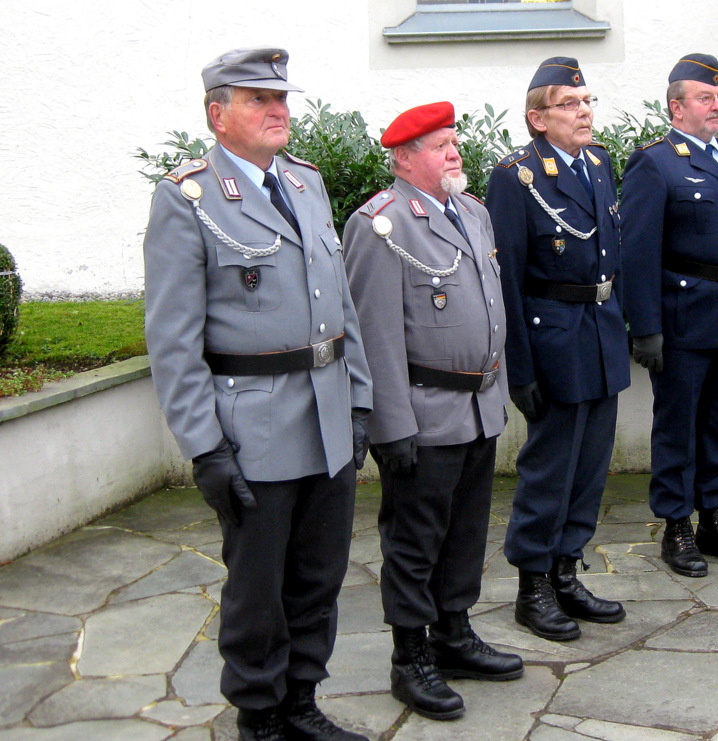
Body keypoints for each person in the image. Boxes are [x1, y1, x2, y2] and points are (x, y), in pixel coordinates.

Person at [143, 48, 371, 741]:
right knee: (257, 588)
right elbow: (173, 340)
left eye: (281, 99)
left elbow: (341, 308)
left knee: (319, 575)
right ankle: (259, 715)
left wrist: (360, 400)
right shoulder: (187, 198)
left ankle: (301, 701)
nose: (279, 111)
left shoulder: (306, 184)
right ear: (217, 115)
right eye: (257, 100)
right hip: (254, 429)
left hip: (328, 418)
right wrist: (204, 447)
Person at [342, 101, 523, 721]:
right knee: (416, 541)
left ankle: (454, 633)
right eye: (440, 145)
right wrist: (389, 422)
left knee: (467, 531)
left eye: (454, 142)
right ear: (403, 158)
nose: (454, 153)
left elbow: (490, 308)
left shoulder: (472, 212)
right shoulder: (380, 225)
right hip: (422, 410)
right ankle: (410, 657)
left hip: (478, 407)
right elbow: (374, 333)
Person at [485, 57, 629, 642]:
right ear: (537, 118)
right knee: (549, 469)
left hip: (599, 332)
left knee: (591, 467)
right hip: (551, 339)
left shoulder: (598, 165)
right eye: (570, 104)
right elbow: (507, 279)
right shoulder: (515, 177)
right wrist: (518, 368)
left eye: (587, 101)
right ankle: (534, 586)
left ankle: (568, 570)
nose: (585, 112)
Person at [619, 54, 718, 578]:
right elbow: (637, 252)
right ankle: (677, 526)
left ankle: (715, 519)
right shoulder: (655, 162)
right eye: (706, 98)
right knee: (678, 428)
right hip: (683, 320)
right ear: (677, 107)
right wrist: (647, 327)